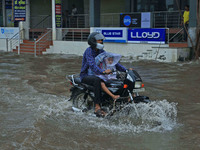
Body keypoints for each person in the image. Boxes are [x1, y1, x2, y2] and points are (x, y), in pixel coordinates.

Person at [80, 32, 127, 117]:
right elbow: (92, 65)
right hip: (86, 75)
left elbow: (113, 63)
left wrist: (126, 70)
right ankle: (97, 107)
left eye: (102, 40)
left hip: (98, 74)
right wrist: (103, 72)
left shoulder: (102, 51)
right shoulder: (89, 51)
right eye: (99, 40)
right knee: (97, 80)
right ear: (93, 41)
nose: (101, 42)